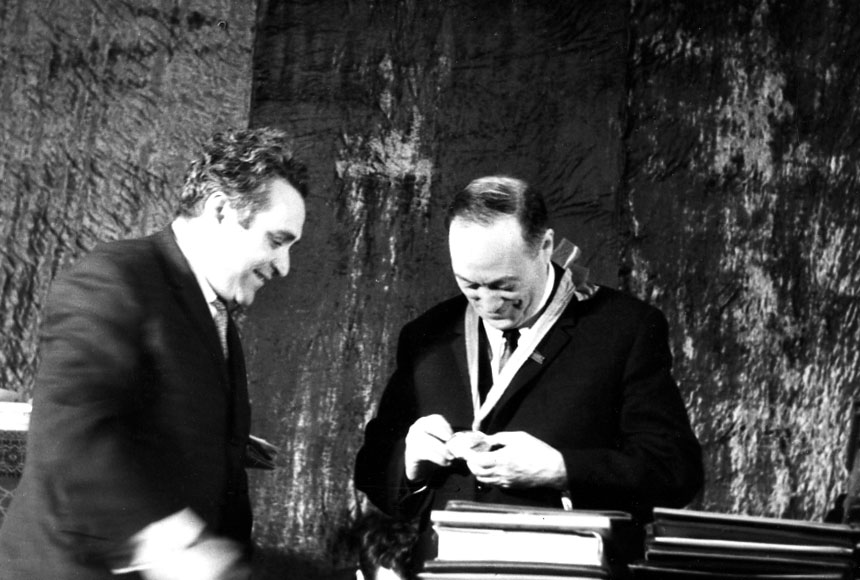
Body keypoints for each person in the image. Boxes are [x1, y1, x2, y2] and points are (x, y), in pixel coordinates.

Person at [0, 127, 308, 580]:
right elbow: (76, 435)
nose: (284, 266)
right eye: (276, 241)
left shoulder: (216, 315)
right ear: (221, 209)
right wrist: (182, 550)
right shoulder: (112, 279)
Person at [354, 175, 703, 557]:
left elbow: (676, 472)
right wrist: (410, 462)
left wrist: (561, 469)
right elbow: (371, 469)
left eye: (504, 285)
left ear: (545, 246)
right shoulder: (426, 336)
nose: (488, 304)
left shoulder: (626, 330)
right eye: (470, 285)